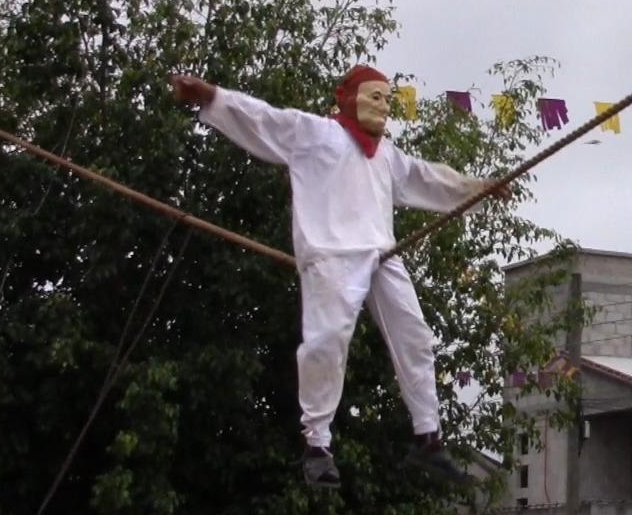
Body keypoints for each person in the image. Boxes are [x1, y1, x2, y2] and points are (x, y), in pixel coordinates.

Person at [170, 65, 508, 488]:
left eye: (387, 100)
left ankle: (428, 436)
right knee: (327, 342)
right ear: (344, 97)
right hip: (332, 254)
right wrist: (211, 95)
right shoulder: (316, 133)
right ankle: (317, 445)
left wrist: (477, 188)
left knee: (415, 336)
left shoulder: (387, 156)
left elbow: (427, 178)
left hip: (382, 253)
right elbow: (264, 119)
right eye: (374, 97)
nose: (383, 107)